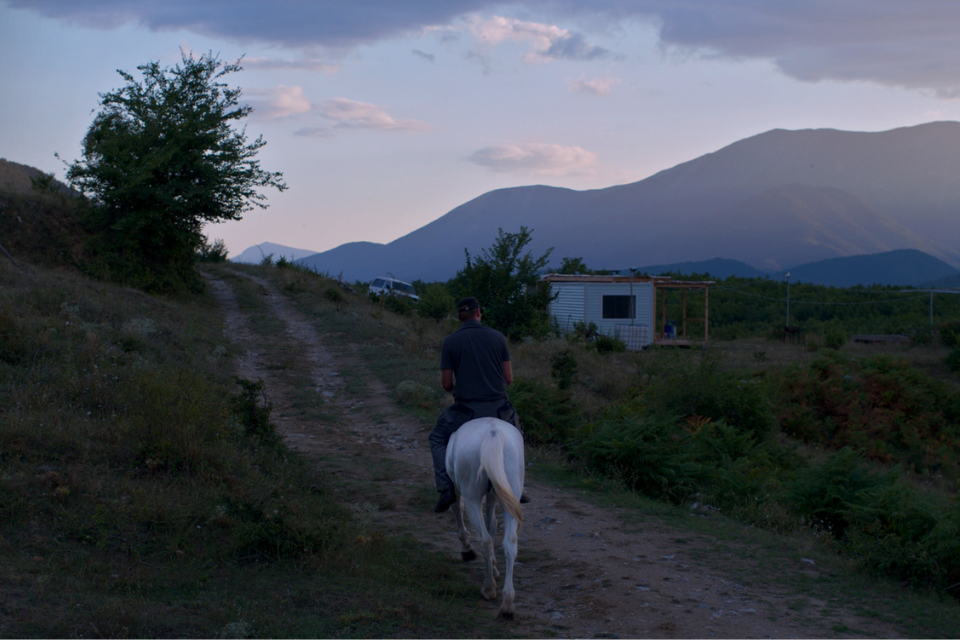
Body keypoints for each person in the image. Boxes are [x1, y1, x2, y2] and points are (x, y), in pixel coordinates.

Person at [429, 296, 521, 513]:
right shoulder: (498, 338)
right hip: (500, 409)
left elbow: (445, 383)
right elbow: (508, 378)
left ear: (459, 317)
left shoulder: (450, 341)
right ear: (479, 313)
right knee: (516, 435)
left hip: (466, 411)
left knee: (437, 438)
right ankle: (518, 487)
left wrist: (456, 390)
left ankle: (446, 489)